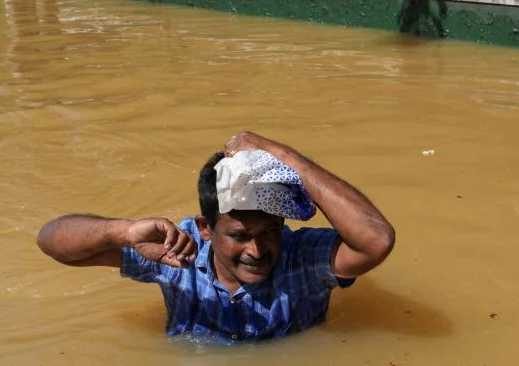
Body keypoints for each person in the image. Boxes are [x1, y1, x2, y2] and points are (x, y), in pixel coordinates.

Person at [36, 131, 395, 343]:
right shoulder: (176, 250)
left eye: (270, 231)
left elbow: (376, 240)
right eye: (239, 235)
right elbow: (52, 242)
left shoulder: (303, 257)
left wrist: (279, 154)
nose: (257, 249)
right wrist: (124, 232)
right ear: (206, 229)